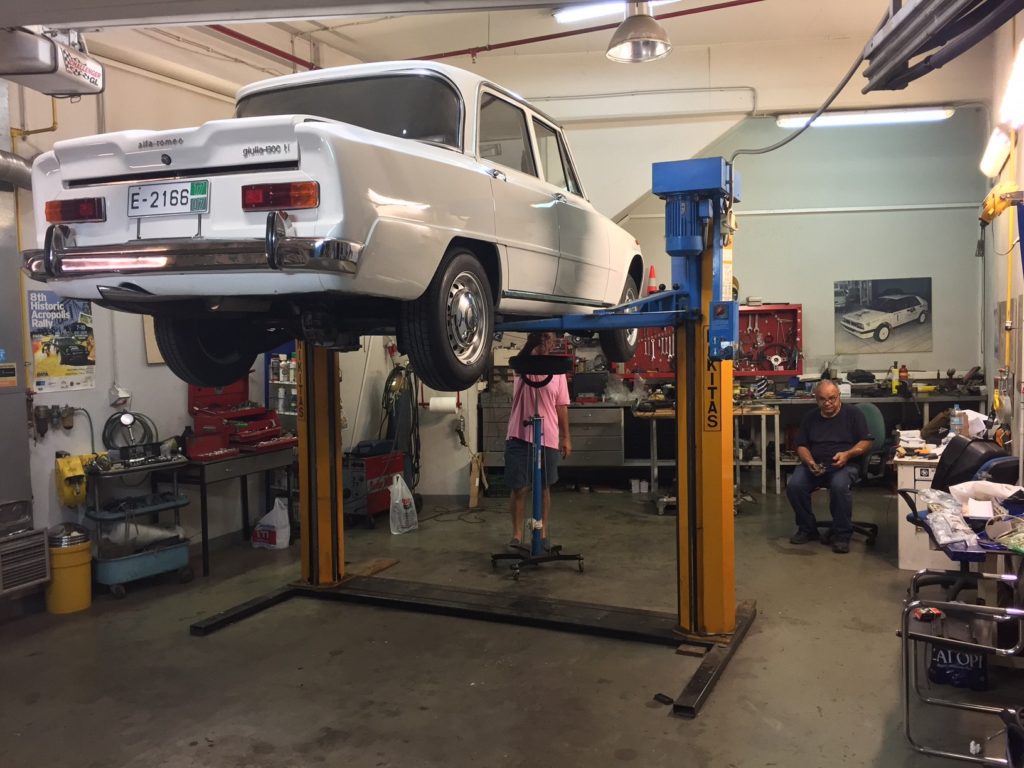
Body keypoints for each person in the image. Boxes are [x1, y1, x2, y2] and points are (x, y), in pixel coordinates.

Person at [786, 379, 873, 554]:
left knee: (839, 486)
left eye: (832, 398)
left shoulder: (853, 414)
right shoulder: (810, 417)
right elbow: (801, 445)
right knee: (795, 485)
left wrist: (848, 454)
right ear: (815, 399)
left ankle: (842, 535)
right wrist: (809, 461)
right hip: (816, 464)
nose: (827, 403)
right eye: (822, 399)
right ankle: (807, 529)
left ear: (839, 396)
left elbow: (866, 441)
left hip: (845, 464)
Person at [505, 331, 572, 548]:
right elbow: (518, 364)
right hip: (519, 434)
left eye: (551, 339)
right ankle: (517, 535)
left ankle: (541, 532)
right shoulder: (522, 365)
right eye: (543, 338)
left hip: (548, 436)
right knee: (519, 488)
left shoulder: (558, 372)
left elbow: (561, 406)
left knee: (544, 487)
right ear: (535, 339)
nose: (548, 343)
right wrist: (533, 347)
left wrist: (566, 437)